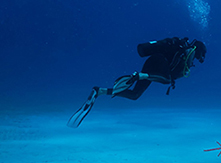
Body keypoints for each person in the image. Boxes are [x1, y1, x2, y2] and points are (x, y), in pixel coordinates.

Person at [67, 37, 206, 128]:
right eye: (200, 56)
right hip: (159, 63)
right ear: (198, 50)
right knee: (166, 80)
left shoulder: (183, 49)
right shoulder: (189, 52)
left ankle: (100, 91)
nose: (197, 59)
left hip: (153, 62)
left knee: (135, 95)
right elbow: (177, 73)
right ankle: (139, 76)